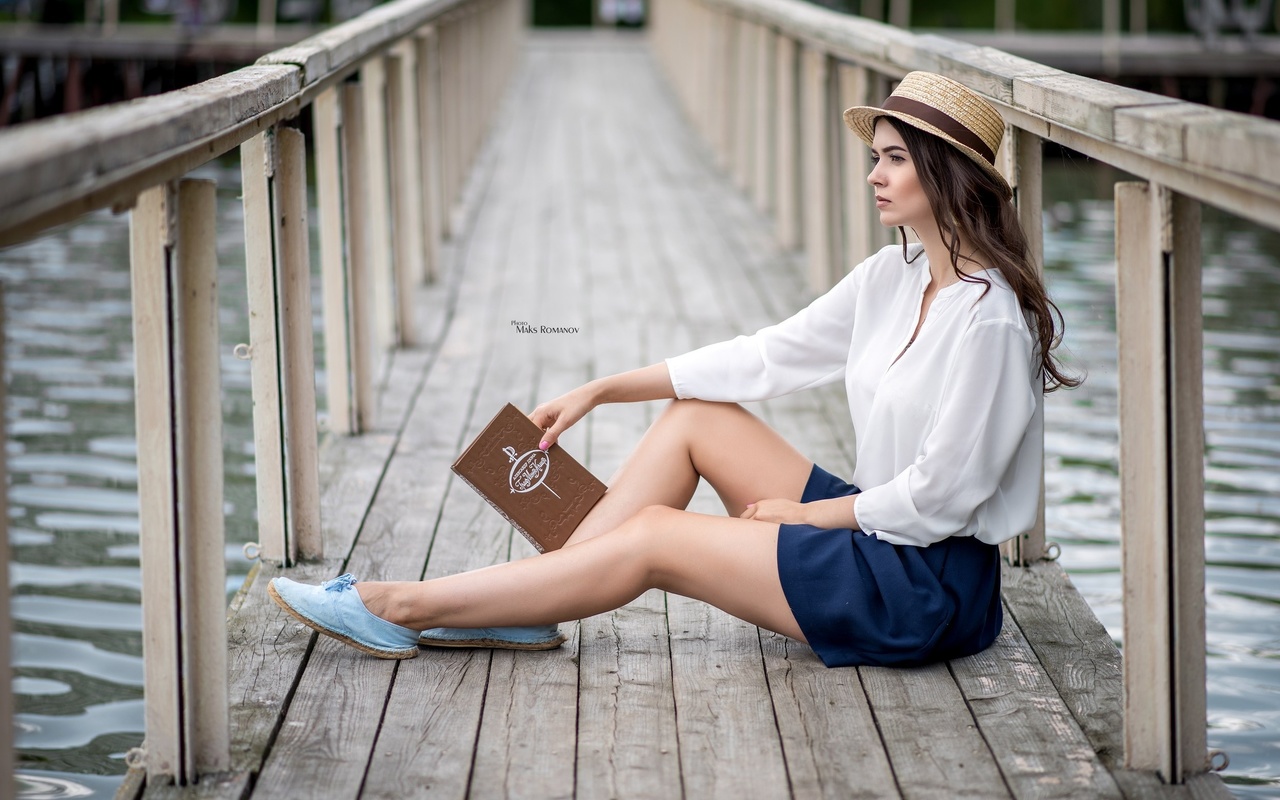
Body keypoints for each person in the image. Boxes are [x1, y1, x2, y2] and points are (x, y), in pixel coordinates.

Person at [268, 71, 1078, 668]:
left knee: (655, 538)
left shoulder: (991, 324)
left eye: (895, 160)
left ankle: (399, 606)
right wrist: (602, 387)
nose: (873, 175)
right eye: (876, 157)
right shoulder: (894, 278)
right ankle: (533, 597)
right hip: (873, 531)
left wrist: (804, 519)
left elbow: (941, 497)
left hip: (924, 589)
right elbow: (764, 356)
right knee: (699, 418)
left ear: (946, 173)